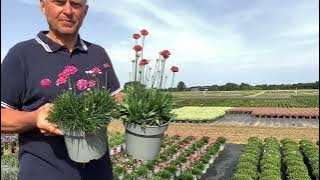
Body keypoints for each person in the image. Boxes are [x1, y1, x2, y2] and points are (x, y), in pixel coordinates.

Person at [1, 0, 122, 179]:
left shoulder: (98, 53)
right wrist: (34, 118)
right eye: (59, 2)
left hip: (99, 173)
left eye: (76, 4)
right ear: (43, 6)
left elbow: (116, 99)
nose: (68, 11)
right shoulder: (21, 54)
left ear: (85, 11)